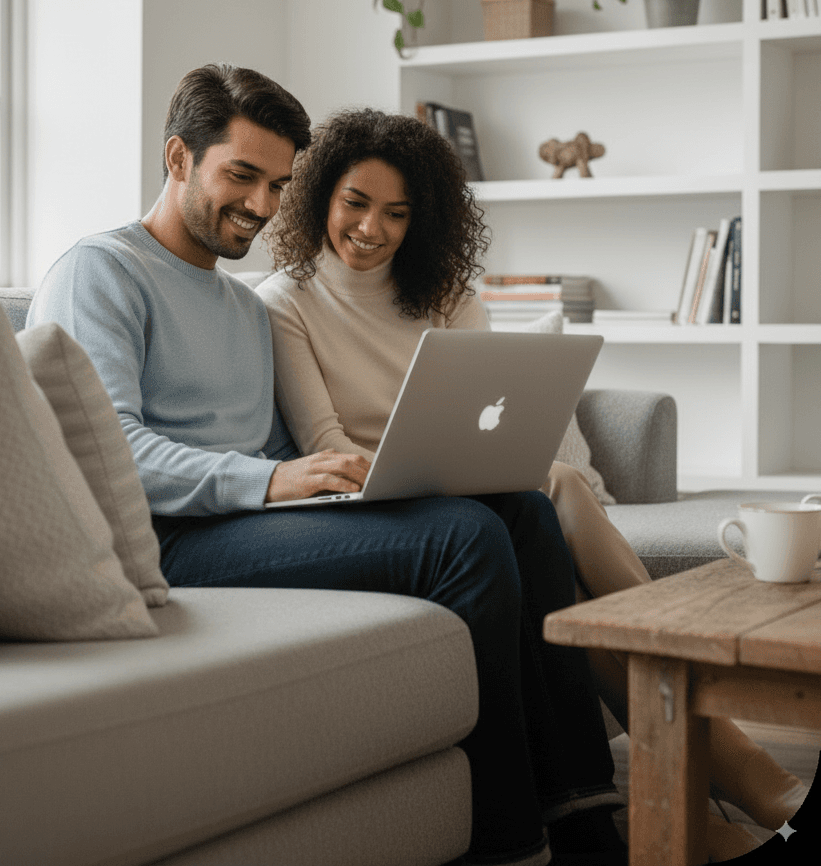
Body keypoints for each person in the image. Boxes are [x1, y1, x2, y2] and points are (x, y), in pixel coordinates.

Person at [27, 64, 630, 866]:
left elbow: (276, 446)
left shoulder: (243, 304)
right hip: (168, 542)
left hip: (254, 522)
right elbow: (108, 452)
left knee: (517, 510)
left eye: (277, 184)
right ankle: (508, 843)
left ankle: (584, 813)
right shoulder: (100, 271)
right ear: (177, 159)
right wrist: (272, 480)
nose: (261, 205)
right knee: (462, 540)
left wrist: (343, 481)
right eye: (240, 176)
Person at [256, 106, 808, 859]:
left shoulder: (445, 294)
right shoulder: (283, 301)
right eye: (356, 202)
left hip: (471, 489)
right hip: (375, 503)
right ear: (321, 193)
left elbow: (493, 413)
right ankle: (724, 766)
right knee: (549, 500)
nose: (371, 229)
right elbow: (325, 445)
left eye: (397, 213)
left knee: (555, 493)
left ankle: (666, 793)